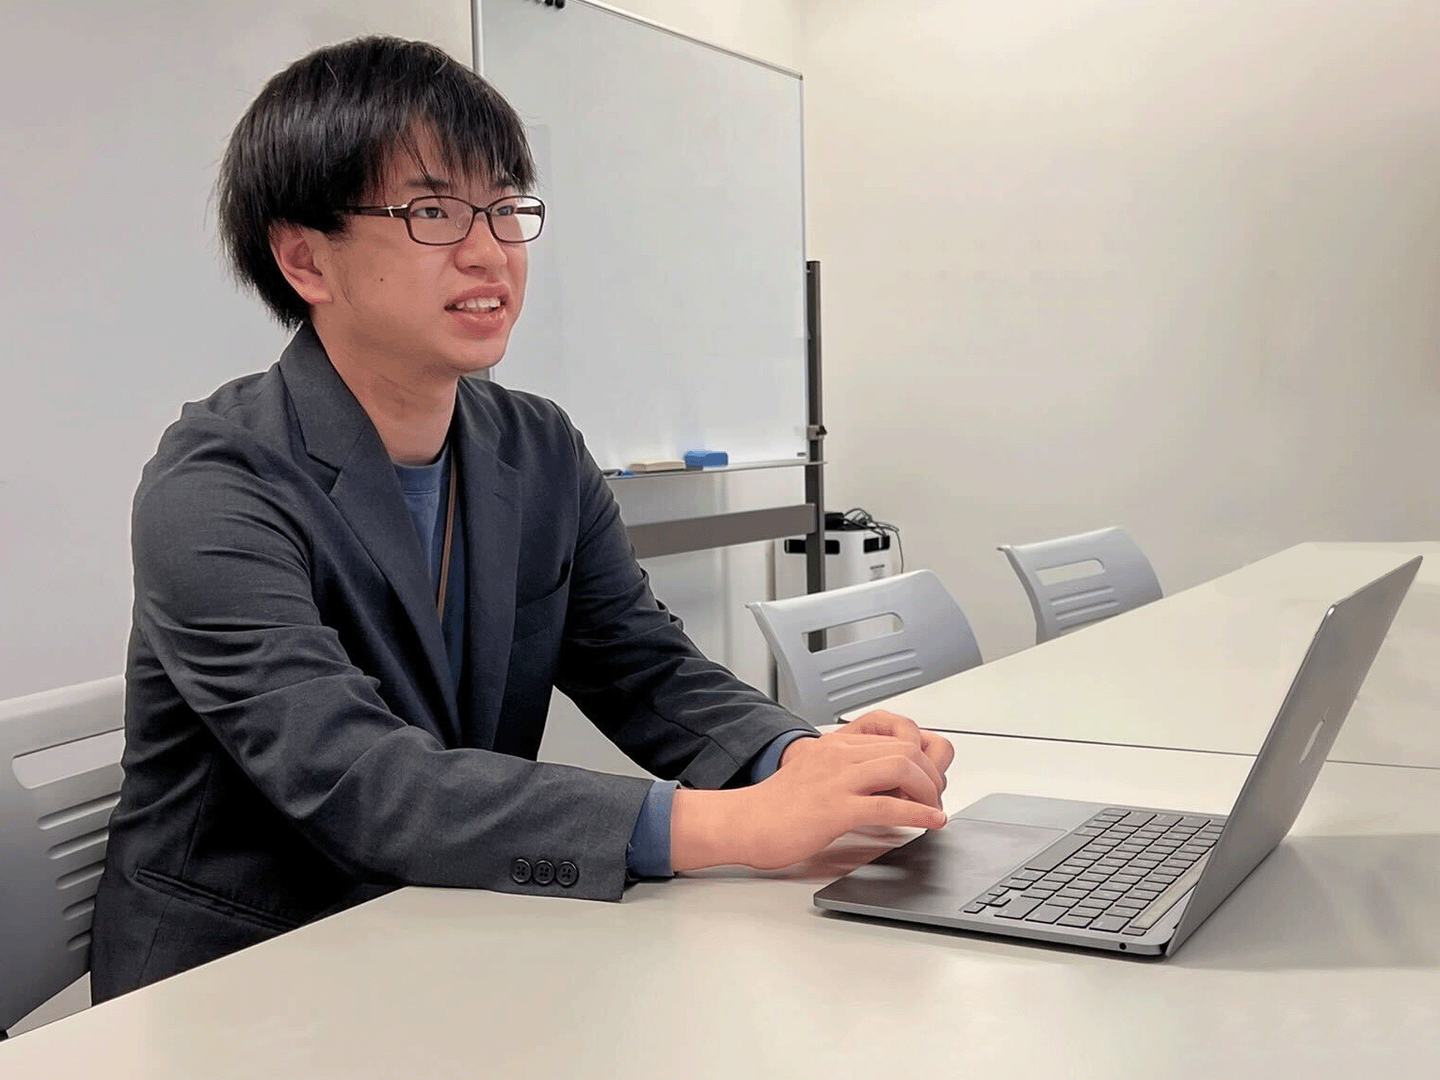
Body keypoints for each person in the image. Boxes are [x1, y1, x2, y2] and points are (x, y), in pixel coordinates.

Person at [90, 35, 954, 999]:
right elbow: (357, 779)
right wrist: (731, 824)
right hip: (238, 978)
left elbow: (644, 668)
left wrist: (805, 762)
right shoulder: (215, 482)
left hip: (451, 931)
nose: (489, 250)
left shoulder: (535, 447)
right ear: (305, 259)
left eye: (505, 207)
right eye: (431, 211)